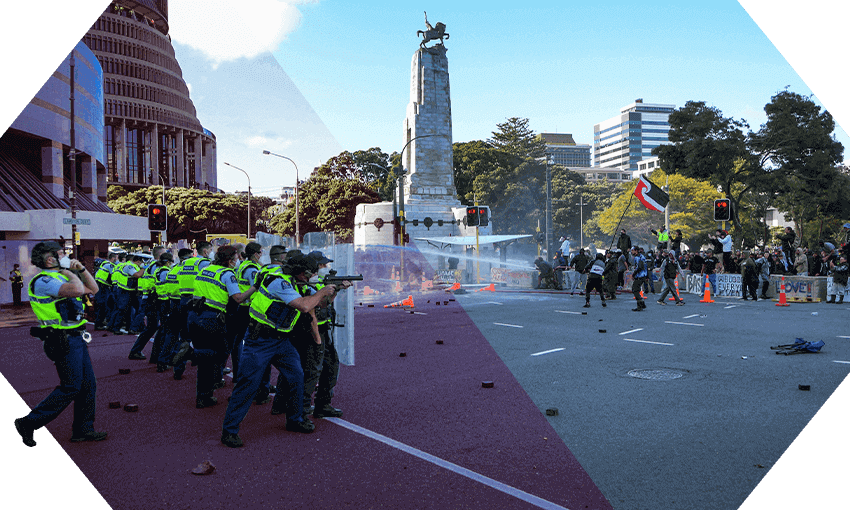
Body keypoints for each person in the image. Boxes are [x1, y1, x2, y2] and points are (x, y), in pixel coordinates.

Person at [220, 252, 338, 448]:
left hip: (281, 340)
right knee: (248, 384)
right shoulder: (279, 282)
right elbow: (304, 306)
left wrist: (333, 291)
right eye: (310, 273)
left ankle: (295, 419)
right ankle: (229, 431)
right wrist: (322, 291)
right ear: (299, 272)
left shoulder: (295, 282)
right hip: (260, 340)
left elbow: (319, 303)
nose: (312, 277)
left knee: (297, 376)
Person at [14, 241, 106, 447]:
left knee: (87, 385)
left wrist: (81, 269)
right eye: (62, 254)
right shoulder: (44, 281)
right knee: (71, 386)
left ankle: (83, 429)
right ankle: (28, 422)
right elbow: (77, 289)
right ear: (50, 260)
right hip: (61, 339)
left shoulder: (59, 276)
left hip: (75, 337)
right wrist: (70, 272)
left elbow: (94, 288)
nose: (67, 256)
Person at [186, 245, 253, 408]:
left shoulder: (205, 269)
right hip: (211, 319)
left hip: (194, 315)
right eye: (235, 258)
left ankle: (204, 391)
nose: (237, 261)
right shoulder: (227, 274)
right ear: (229, 260)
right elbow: (238, 298)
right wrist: (255, 287)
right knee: (219, 353)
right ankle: (204, 392)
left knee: (206, 358)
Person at [127, 247, 167, 361]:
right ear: (161, 254)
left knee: (152, 327)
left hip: (148, 297)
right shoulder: (157, 266)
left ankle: (141, 351)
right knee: (156, 327)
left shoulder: (149, 265)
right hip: (153, 298)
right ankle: (153, 354)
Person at [93, 251, 118, 329]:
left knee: (102, 305)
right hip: (103, 287)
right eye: (116, 258)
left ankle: (100, 322)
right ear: (113, 258)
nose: (117, 260)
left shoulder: (104, 264)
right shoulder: (110, 265)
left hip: (100, 286)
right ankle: (99, 324)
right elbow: (113, 275)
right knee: (102, 305)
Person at [630, 246, 648, 311]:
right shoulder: (642, 256)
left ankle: (640, 305)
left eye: (632, 250)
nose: (631, 252)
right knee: (636, 289)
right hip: (643, 275)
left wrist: (633, 274)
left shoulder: (638, 257)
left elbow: (639, 267)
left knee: (635, 290)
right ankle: (642, 304)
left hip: (640, 276)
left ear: (636, 251)